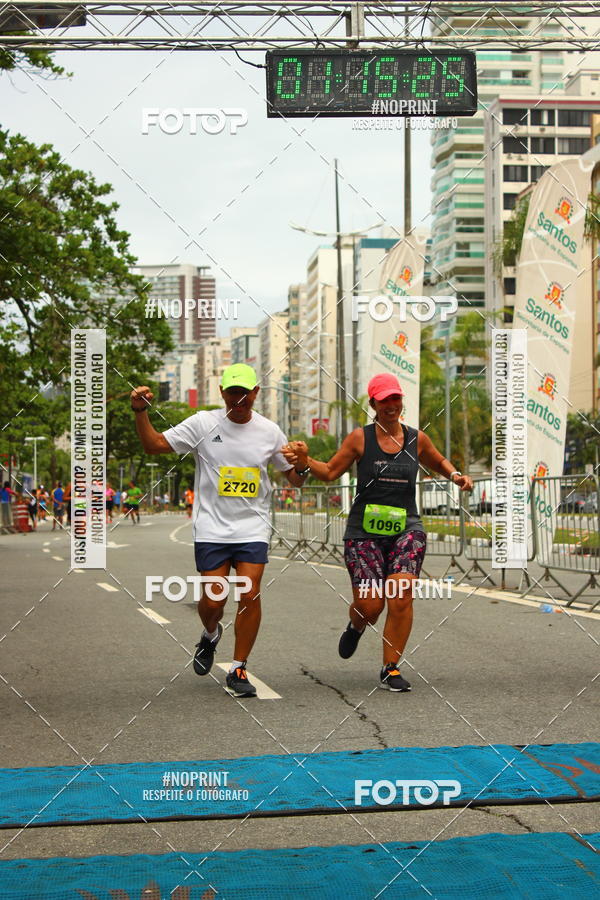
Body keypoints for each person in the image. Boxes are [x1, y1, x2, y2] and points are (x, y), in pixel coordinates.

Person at [282, 373, 473, 692]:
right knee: (371, 606)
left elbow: (437, 459)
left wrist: (455, 475)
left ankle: (391, 668)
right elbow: (329, 472)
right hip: (364, 532)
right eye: (384, 400)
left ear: (402, 402)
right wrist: (304, 461)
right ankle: (357, 625)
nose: (391, 405)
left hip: (406, 528)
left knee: (401, 595)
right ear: (373, 404)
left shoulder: (416, 439)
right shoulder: (360, 439)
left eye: (395, 399)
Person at [130, 363, 308, 698]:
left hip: (253, 526)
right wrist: (140, 410)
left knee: (250, 591)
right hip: (212, 526)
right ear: (222, 393)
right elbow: (153, 445)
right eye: (233, 392)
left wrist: (301, 462)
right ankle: (210, 634)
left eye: (246, 392)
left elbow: (295, 479)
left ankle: (239, 667)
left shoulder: (270, 431)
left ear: (256, 393)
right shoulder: (203, 423)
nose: (239, 399)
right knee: (213, 601)